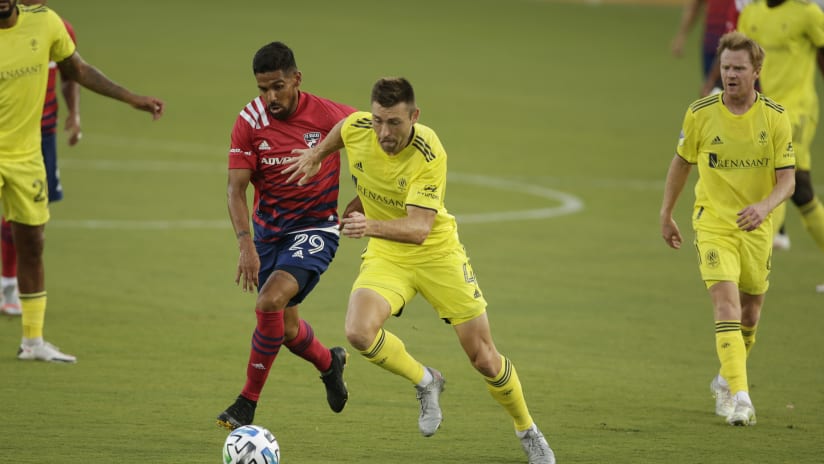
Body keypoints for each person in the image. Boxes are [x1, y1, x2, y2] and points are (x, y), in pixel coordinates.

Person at [285, 77, 556, 464]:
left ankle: (527, 429)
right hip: (387, 255)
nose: (383, 132)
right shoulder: (358, 127)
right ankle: (426, 380)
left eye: (394, 122)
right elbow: (341, 131)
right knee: (358, 332)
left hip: (436, 253)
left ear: (414, 116)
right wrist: (316, 155)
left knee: (483, 358)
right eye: (378, 120)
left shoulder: (429, 151)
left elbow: (418, 230)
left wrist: (368, 224)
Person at [0, 0, 164, 362]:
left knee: (32, 243)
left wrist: (130, 98)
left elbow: (78, 70)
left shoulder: (45, 24)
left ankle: (32, 341)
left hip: (26, 158)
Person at [215, 41, 354, 430]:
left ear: (297, 78)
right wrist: (246, 245)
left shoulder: (330, 115)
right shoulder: (249, 121)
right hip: (269, 234)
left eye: (278, 86)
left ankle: (247, 403)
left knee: (269, 300)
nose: (270, 97)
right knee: (288, 329)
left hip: (316, 228)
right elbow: (234, 189)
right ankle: (331, 363)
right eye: (263, 89)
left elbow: (373, 144)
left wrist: (363, 198)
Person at [660, 31, 795, 426]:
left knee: (750, 316)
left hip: (757, 227)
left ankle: (724, 379)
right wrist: (666, 212)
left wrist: (764, 206)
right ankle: (740, 396)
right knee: (726, 306)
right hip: (714, 223)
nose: (730, 74)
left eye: (738, 68)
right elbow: (681, 163)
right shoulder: (701, 112)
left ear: (756, 72)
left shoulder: (775, 118)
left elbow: (787, 180)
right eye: (725, 67)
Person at [730, 0, 824, 290]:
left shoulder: (807, 13)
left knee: (776, 175)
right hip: (768, 112)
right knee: (802, 191)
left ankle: (757, 263)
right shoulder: (753, 14)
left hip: (798, 112)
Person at [0, 0, 81, 317]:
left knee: (33, 222)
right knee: (15, 219)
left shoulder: (55, 26)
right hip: (11, 134)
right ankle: (8, 285)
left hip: (42, 134)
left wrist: (74, 114)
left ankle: (13, 289)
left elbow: (72, 75)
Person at [671, 0, 737, 94]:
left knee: (726, 92)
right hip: (711, 42)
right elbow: (695, 5)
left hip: (735, 43)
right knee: (712, 94)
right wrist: (681, 35)